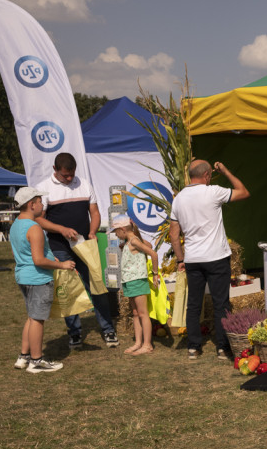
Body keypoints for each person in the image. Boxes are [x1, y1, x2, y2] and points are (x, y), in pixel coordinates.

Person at [35, 152, 118, 349]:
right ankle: (74, 333)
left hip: (84, 244)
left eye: (72, 174)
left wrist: (92, 231)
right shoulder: (44, 188)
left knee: (96, 284)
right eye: (65, 176)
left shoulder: (85, 184)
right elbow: (39, 218)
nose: (70, 179)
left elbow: (95, 213)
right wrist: (62, 230)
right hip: (59, 246)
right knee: (68, 288)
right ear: (55, 170)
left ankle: (108, 329)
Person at [169, 159, 250, 360]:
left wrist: (180, 259)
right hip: (216, 257)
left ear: (189, 175)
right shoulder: (213, 191)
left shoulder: (178, 198)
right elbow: (243, 191)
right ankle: (222, 348)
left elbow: (173, 234)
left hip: (193, 258)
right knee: (221, 303)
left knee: (194, 303)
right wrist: (225, 170)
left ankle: (193, 347)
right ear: (207, 175)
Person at [8, 187, 76, 373]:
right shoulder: (34, 228)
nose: (42, 204)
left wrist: (49, 257)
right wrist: (62, 265)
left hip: (23, 276)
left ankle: (24, 356)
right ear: (31, 205)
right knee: (38, 319)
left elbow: (29, 253)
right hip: (38, 278)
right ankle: (36, 360)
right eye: (39, 201)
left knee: (31, 317)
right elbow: (38, 260)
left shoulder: (16, 225)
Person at [111, 214, 160, 355]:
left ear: (122, 229)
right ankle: (138, 342)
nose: (116, 235)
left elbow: (153, 253)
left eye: (116, 232)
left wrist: (155, 273)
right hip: (129, 281)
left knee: (143, 313)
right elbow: (148, 245)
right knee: (135, 313)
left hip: (137, 280)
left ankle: (147, 344)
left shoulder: (133, 241)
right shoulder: (130, 241)